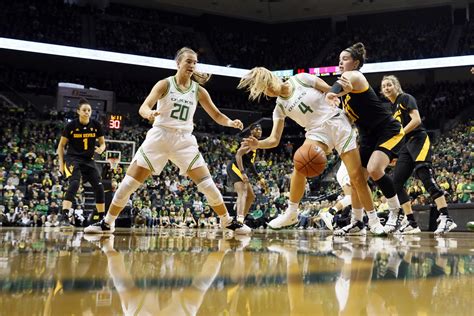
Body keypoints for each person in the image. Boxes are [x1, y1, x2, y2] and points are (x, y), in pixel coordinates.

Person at [85, 47, 248, 234]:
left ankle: (227, 221)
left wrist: (230, 122)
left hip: (184, 140)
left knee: (208, 184)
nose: (192, 65)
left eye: (195, 62)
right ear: (178, 63)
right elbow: (144, 107)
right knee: (129, 183)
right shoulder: (164, 84)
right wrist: (150, 113)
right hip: (160, 136)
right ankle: (107, 222)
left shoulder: (199, 91)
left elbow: (217, 115)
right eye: (188, 61)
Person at [239, 67, 384, 235]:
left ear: (273, 78)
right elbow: (274, 140)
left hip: (336, 121)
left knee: (357, 177)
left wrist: (343, 95)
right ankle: (291, 213)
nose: (269, 91)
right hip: (316, 133)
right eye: (265, 91)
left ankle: (373, 221)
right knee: (299, 165)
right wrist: (258, 144)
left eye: (268, 85)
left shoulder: (301, 79)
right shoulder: (279, 108)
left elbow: (331, 90)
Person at [325, 42, 405, 236]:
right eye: (339, 60)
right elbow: (349, 115)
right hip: (368, 136)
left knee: (374, 169)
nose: (340, 63)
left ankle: (397, 212)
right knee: (356, 179)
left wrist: (330, 93)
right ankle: (357, 222)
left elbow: (343, 82)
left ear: (356, 62)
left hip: (387, 130)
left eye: (345, 59)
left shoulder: (356, 76)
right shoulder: (345, 95)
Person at [381, 75, 457, 234]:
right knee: (396, 183)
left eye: (389, 85)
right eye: (384, 86)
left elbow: (416, 120)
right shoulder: (391, 108)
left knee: (424, 174)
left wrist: (400, 134)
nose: (387, 88)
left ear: (396, 86)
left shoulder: (405, 98)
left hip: (418, 139)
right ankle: (411, 222)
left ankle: (446, 218)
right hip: (405, 146)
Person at [57, 98, 106, 228]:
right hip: (73, 159)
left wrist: (101, 149)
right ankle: (64, 216)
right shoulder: (71, 126)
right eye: (84, 110)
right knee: (74, 183)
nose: (87, 112)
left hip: (88, 160)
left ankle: (102, 219)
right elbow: (61, 146)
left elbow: (102, 143)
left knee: (99, 187)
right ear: (78, 111)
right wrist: (61, 165)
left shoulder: (96, 125)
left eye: (89, 110)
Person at [226, 123, 265, 231]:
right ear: (251, 131)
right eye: (257, 129)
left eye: (260, 130)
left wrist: (258, 178)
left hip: (241, 169)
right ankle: (239, 220)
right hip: (235, 167)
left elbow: (250, 163)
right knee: (242, 192)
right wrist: (243, 173)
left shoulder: (255, 144)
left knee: (251, 196)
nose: (259, 131)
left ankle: (240, 219)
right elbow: (238, 155)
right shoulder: (249, 141)